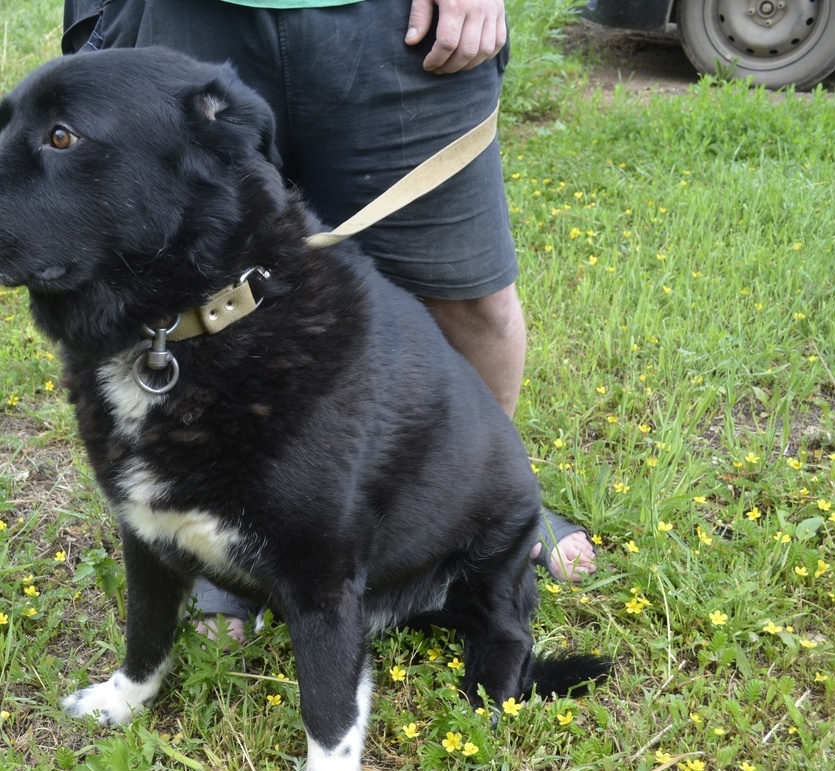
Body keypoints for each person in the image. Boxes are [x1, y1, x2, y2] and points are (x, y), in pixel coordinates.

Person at [61, 0, 597, 642]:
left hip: (402, 21)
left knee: (471, 299)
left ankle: (487, 503)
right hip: (180, 17)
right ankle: (217, 537)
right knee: (189, 297)